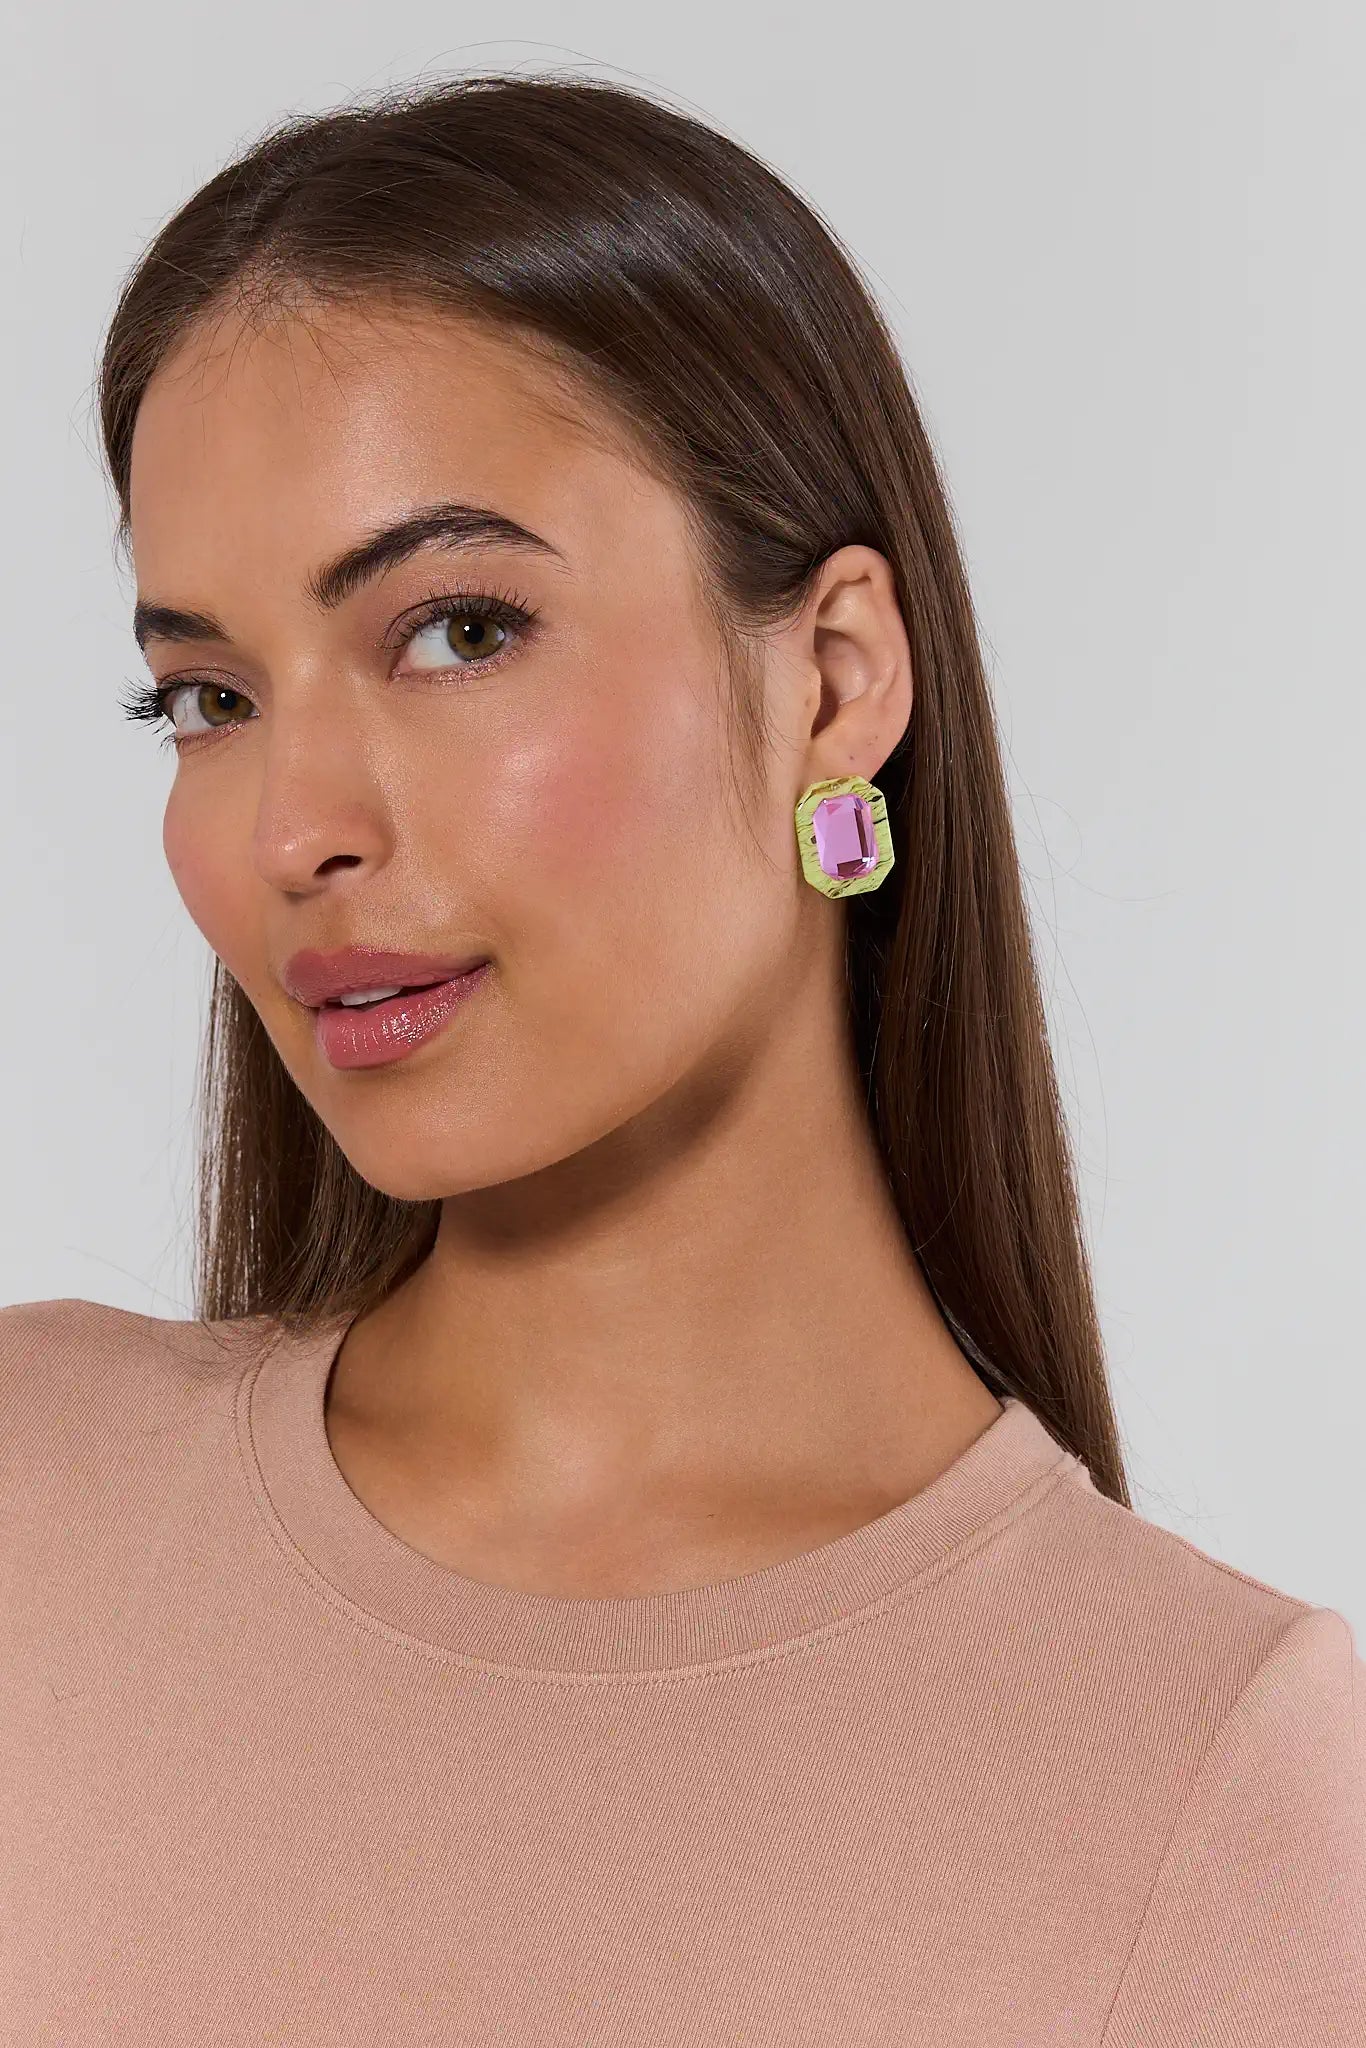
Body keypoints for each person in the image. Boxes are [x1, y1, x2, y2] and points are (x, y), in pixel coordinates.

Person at [2, 71, 1361, 2044]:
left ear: (833, 681)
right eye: (207, 697)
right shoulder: (34, 1506)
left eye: (458, 632)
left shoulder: (1213, 1781)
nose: (293, 827)